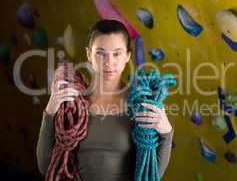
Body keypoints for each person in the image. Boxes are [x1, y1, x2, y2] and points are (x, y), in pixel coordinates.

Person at [36, 19, 174, 181]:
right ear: (89, 55)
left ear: (127, 56)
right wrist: (51, 110)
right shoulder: (72, 104)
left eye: (117, 53)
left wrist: (166, 132)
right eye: (101, 53)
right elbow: (45, 166)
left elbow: (151, 175)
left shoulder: (140, 104)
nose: (109, 62)